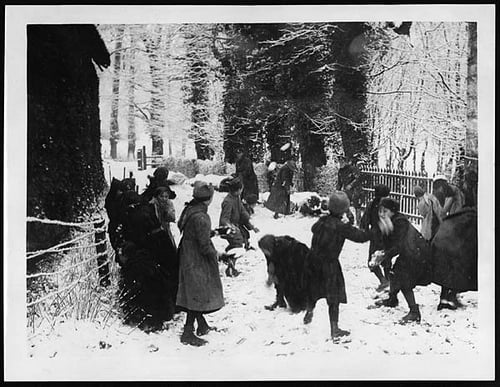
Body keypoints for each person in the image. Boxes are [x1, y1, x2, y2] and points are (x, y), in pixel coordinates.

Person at [306, 190, 371, 339]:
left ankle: (309, 310)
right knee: (333, 296)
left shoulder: (322, 221)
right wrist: (375, 230)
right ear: (343, 209)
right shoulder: (341, 227)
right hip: (329, 264)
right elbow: (360, 237)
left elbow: (313, 229)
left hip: (312, 260)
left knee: (314, 288)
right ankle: (334, 329)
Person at [176, 181, 225, 346]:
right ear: (209, 199)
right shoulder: (202, 216)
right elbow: (204, 246)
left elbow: (194, 233)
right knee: (197, 291)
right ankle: (188, 332)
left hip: (187, 254)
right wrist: (217, 255)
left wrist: (213, 233)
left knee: (193, 290)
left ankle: (202, 325)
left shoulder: (191, 210)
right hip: (196, 258)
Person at [370, 198, 432, 323]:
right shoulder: (389, 221)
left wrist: (385, 255)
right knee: (393, 274)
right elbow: (388, 242)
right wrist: (382, 254)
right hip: (408, 252)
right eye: (380, 211)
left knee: (403, 280)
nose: (381, 214)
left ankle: (414, 312)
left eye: (385, 211)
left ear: (392, 211)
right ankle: (392, 299)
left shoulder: (400, 222)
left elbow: (399, 244)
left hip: (417, 253)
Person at [431, 176, 465, 309]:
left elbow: (445, 211)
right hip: (452, 229)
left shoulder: (450, 192)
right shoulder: (448, 191)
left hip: (454, 228)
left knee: (451, 265)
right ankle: (448, 297)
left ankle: (449, 297)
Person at [219, 177, 259, 276]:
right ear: (238, 189)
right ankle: (230, 267)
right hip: (228, 229)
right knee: (237, 246)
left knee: (242, 242)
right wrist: (231, 228)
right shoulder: (228, 201)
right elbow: (224, 219)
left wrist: (250, 224)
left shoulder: (236, 198)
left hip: (236, 226)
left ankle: (227, 260)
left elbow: (242, 212)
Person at [359, 184, 391, 291]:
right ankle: (387, 281)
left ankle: (384, 281)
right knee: (386, 259)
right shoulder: (389, 206)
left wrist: (366, 230)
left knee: (372, 261)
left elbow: (364, 220)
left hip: (376, 236)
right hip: (387, 235)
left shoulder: (372, 204)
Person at [337, 157, 363, 225]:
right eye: (339, 162)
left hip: (356, 190)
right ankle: (350, 218)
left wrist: (351, 185)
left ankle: (358, 223)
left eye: (342, 162)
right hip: (347, 191)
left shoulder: (352, 169)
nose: (340, 164)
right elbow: (339, 182)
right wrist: (338, 190)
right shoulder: (340, 171)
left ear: (346, 162)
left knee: (357, 206)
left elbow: (358, 179)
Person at [234, 148, 259, 214]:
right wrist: (236, 175)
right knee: (242, 195)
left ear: (242, 153)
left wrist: (240, 174)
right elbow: (237, 171)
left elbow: (248, 171)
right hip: (243, 180)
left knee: (249, 196)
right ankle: (244, 209)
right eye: (237, 153)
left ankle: (249, 209)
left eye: (239, 153)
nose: (238, 155)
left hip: (250, 180)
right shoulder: (237, 161)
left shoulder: (247, 161)